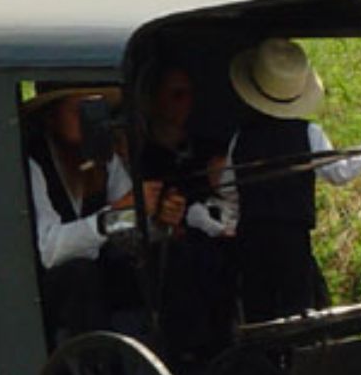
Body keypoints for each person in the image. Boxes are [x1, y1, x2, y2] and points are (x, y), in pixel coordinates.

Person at [224, 38, 361, 323]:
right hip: (292, 236)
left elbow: (229, 188)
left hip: (251, 236)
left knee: (258, 312)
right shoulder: (308, 133)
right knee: (296, 310)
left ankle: (262, 363)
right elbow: (339, 172)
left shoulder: (240, 138)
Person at [23, 84, 183, 342]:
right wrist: (114, 215)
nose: (91, 123)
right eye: (80, 112)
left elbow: (125, 222)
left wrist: (156, 217)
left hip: (96, 282)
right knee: (80, 274)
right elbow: (49, 250)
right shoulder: (33, 165)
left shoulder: (104, 160)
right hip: (44, 293)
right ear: (51, 118)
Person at [138, 63, 235, 359]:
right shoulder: (142, 158)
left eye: (190, 94)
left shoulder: (208, 149)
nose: (187, 103)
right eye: (177, 95)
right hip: (167, 250)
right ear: (154, 101)